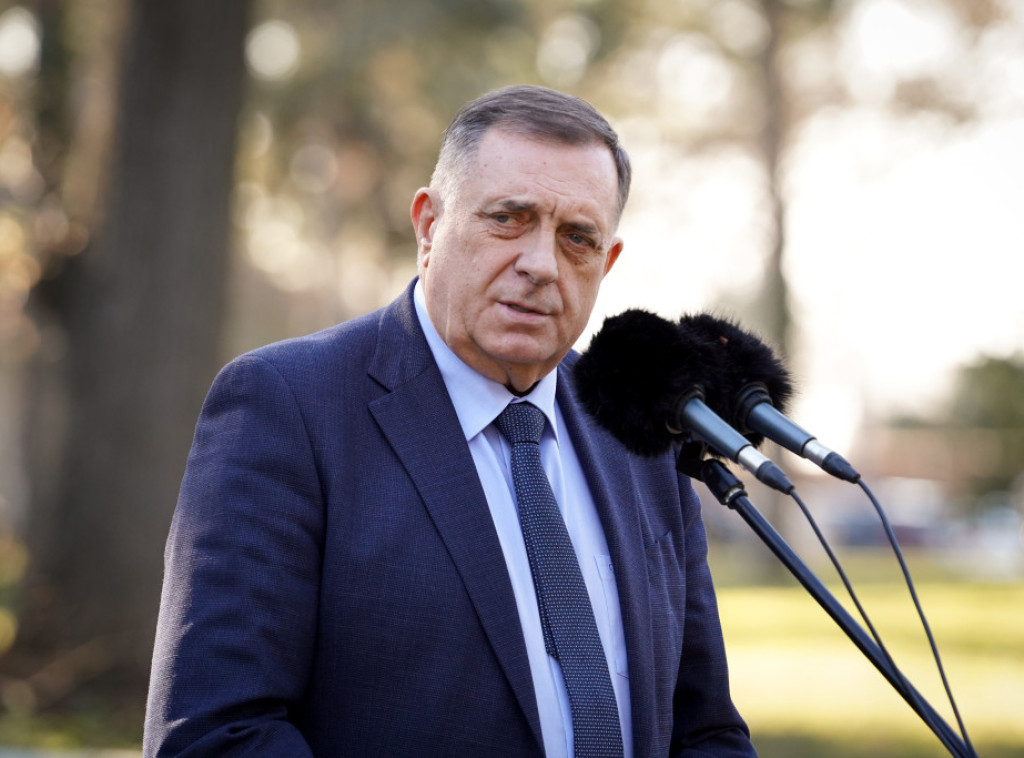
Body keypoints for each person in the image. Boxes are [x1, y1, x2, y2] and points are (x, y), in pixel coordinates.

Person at [143, 84, 756, 757]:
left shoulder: (638, 425)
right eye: (508, 218)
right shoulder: (289, 406)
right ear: (429, 226)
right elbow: (219, 735)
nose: (540, 265)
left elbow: (705, 730)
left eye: (577, 238)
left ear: (606, 263)